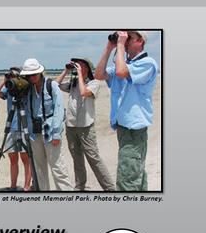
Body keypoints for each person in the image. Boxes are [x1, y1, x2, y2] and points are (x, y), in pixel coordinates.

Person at [95, 31, 158, 191]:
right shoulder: (123, 63)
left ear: (141, 41)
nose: (126, 40)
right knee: (136, 174)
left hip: (134, 130)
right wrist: (109, 48)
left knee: (127, 179)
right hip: (123, 127)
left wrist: (121, 45)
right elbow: (98, 74)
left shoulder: (148, 63)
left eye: (130, 37)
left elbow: (121, 73)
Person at [57, 58, 115, 191]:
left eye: (81, 65)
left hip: (86, 126)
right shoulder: (73, 82)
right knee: (77, 159)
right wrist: (66, 70)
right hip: (71, 126)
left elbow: (84, 92)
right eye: (76, 65)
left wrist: (80, 75)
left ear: (87, 68)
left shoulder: (94, 83)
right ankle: (80, 187)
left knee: (93, 158)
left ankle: (110, 188)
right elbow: (55, 85)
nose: (78, 67)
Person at [20, 58, 72, 191]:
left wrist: (56, 133)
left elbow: (59, 110)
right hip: (34, 134)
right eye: (28, 75)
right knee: (39, 169)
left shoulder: (51, 85)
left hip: (50, 132)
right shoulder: (27, 89)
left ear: (40, 73)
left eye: (34, 74)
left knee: (58, 168)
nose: (31, 78)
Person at [0, 67, 32, 191]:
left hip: (25, 126)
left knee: (26, 159)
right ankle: (13, 185)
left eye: (14, 75)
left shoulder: (26, 87)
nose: (12, 77)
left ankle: (26, 186)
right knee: (12, 159)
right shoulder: (9, 89)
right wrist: (4, 81)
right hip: (12, 127)